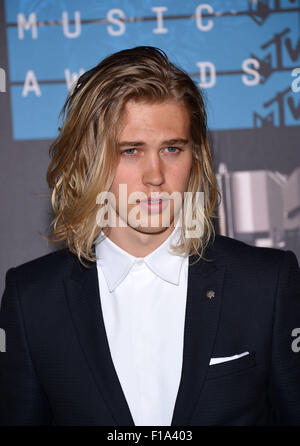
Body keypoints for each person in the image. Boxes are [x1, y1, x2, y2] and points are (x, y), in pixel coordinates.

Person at [0, 46, 299, 426]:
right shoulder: (32, 300)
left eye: (172, 149)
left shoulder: (266, 284)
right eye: (131, 151)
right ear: (88, 159)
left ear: (196, 157)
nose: (154, 176)